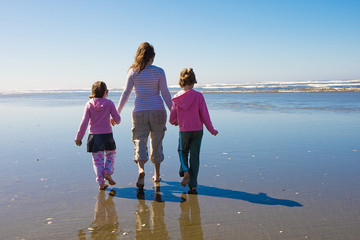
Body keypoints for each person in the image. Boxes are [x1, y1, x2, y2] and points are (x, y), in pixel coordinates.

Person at [115, 42, 172, 190]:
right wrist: (174, 112)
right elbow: (165, 93)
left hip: (140, 111)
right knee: (156, 142)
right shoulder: (159, 71)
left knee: (140, 140)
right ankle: (157, 175)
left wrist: (116, 113)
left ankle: (141, 169)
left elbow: (126, 93)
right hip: (158, 110)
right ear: (152, 57)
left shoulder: (133, 72)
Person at [169, 68, 218, 194]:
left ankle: (185, 171)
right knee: (195, 156)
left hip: (184, 130)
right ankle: (194, 185)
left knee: (182, 151)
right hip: (198, 130)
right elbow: (205, 116)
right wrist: (212, 130)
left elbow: (172, 118)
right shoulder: (199, 96)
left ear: (181, 81)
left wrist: (175, 122)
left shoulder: (176, 98)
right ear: (193, 81)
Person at [75, 81, 121, 190]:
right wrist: (113, 119)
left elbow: (84, 122)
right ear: (106, 91)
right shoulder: (109, 103)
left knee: (97, 160)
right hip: (107, 135)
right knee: (110, 154)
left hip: (94, 137)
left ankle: (101, 183)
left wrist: (79, 137)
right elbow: (118, 120)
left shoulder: (89, 104)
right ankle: (108, 172)